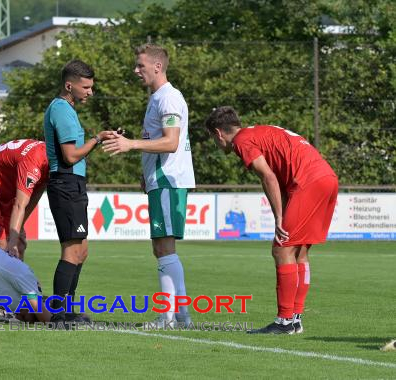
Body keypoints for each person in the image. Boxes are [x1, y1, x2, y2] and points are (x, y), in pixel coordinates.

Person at [204, 106, 338, 334]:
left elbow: (268, 176)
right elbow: (282, 177)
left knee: (281, 250)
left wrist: (278, 217)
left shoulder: (241, 142)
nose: (217, 145)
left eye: (213, 139)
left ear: (218, 133)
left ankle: (284, 321)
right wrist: (284, 210)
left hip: (308, 182)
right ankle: (294, 319)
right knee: (300, 252)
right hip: (326, 178)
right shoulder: (258, 133)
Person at [102, 44, 195, 328]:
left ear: (157, 66)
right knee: (162, 247)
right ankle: (180, 317)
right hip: (160, 179)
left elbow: (171, 141)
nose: (136, 70)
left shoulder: (168, 97)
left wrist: (131, 144)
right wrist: (146, 171)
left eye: (140, 66)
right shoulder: (158, 97)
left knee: (164, 247)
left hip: (168, 180)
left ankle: (169, 317)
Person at [43, 59, 116, 323]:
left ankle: (68, 311)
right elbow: (71, 155)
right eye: (86, 87)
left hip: (72, 184)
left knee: (81, 251)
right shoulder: (61, 109)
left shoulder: (67, 109)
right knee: (71, 251)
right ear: (69, 85)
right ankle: (58, 315)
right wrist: (97, 139)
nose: (90, 92)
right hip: (65, 183)